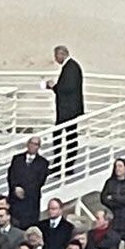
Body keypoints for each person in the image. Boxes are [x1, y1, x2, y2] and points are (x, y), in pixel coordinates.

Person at [48, 43, 84, 174]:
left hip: (68, 110)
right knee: (68, 136)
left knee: (64, 136)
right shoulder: (71, 67)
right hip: (68, 110)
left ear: (61, 54)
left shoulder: (71, 67)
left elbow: (67, 88)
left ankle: (64, 165)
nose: (55, 59)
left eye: (56, 55)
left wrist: (53, 87)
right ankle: (64, 165)